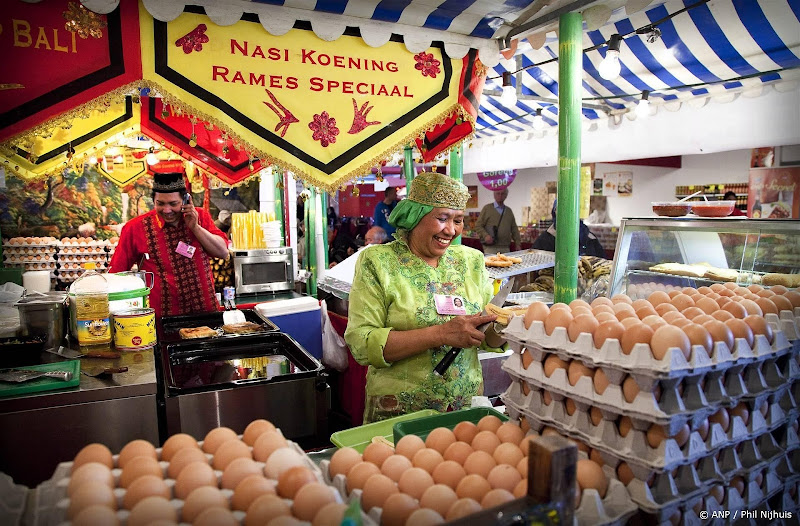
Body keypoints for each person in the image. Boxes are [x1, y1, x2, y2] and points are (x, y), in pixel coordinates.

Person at [345, 172, 505, 423]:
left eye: (459, 220)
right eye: (442, 218)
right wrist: (440, 334)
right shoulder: (378, 262)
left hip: (462, 411)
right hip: (400, 414)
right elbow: (362, 344)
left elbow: (486, 336)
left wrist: (505, 326)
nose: (451, 230)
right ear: (415, 216)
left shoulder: (471, 261)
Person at [109, 172, 229, 318]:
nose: (167, 210)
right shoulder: (135, 228)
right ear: (153, 201)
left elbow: (223, 252)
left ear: (185, 201)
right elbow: (116, 274)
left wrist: (195, 228)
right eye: (160, 204)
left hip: (205, 311)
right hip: (161, 318)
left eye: (173, 204)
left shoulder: (200, 216)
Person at [532, 199, 605, 257]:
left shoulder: (590, 238)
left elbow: (602, 262)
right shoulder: (545, 239)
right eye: (560, 209)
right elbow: (535, 263)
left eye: (570, 209)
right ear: (554, 213)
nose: (566, 213)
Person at [474, 188, 521, 254]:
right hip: (490, 247)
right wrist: (485, 235)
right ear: (494, 195)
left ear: (506, 195)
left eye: (502, 193)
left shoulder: (508, 211)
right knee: (492, 264)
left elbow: (514, 229)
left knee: (505, 264)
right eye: (498, 193)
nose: (500, 195)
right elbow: (478, 225)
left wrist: (518, 243)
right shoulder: (487, 208)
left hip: (505, 247)